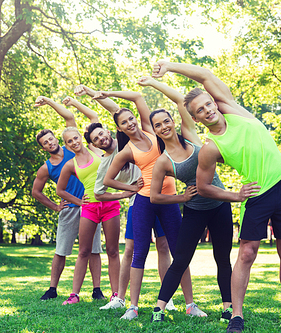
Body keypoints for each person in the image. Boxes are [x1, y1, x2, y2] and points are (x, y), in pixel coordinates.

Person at [153, 60, 281, 332]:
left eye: (207, 104)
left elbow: (204, 75)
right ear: (196, 119)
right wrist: (236, 196)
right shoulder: (211, 148)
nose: (207, 110)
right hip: (257, 195)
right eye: (199, 111)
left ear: (213, 102)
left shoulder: (234, 109)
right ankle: (236, 316)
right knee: (247, 252)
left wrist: (169, 67)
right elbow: (203, 187)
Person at [99, 89, 203, 320]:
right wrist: (131, 189)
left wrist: (106, 93)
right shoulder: (127, 150)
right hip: (145, 202)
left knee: (179, 253)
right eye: (124, 123)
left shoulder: (154, 132)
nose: (130, 124)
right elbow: (107, 180)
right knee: (139, 253)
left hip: (170, 201)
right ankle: (132, 307)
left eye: (131, 119)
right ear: (120, 128)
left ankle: (190, 304)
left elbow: (137, 97)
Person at [137, 76, 234, 323]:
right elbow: (155, 197)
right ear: (155, 130)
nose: (164, 126)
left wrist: (152, 84)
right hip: (194, 210)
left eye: (166, 121)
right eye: (157, 125)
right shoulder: (162, 162)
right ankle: (158, 308)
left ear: (172, 121)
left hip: (220, 204)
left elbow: (182, 100)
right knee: (180, 259)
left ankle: (228, 307)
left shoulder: (190, 135)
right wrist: (181, 197)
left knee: (222, 258)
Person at [74, 85, 177, 311]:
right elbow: (100, 191)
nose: (101, 139)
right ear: (94, 145)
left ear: (109, 131)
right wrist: (126, 191)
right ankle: (120, 298)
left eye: (102, 133)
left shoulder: (128, 138)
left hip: (162, 196)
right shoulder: (109, 161)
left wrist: (95, 93)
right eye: (96, 139)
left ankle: (167, 298)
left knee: (163, 246)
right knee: (130, 250)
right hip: (139, 204)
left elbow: (117, 111)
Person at [55, 96, 128, 305]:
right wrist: (78, 202)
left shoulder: (97, 149)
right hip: (89, 208)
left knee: (113, 250)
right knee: (84, 251)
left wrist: (76, 102)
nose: (74, 143)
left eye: (76, 138)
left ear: (81, 138)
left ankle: (116, 295)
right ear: (67, 146)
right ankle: (74, 295)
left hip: (110, 205)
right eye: (69, 142)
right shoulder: (70, 164)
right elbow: (60, 190)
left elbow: (94, 116)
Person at [31, 96, 103, 301]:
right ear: (43, 148)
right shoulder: (47, 167)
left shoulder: (73, 148)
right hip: (70, 209)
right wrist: (55, 206)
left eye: (51, 139)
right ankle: (53, 289)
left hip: (91, 205)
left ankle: (96, 289)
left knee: (93, 250)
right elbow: (36, 192)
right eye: (45, 143)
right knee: (61, 250)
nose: (49, 143)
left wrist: (48, 102)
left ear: (56, 139)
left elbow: (69, 116)